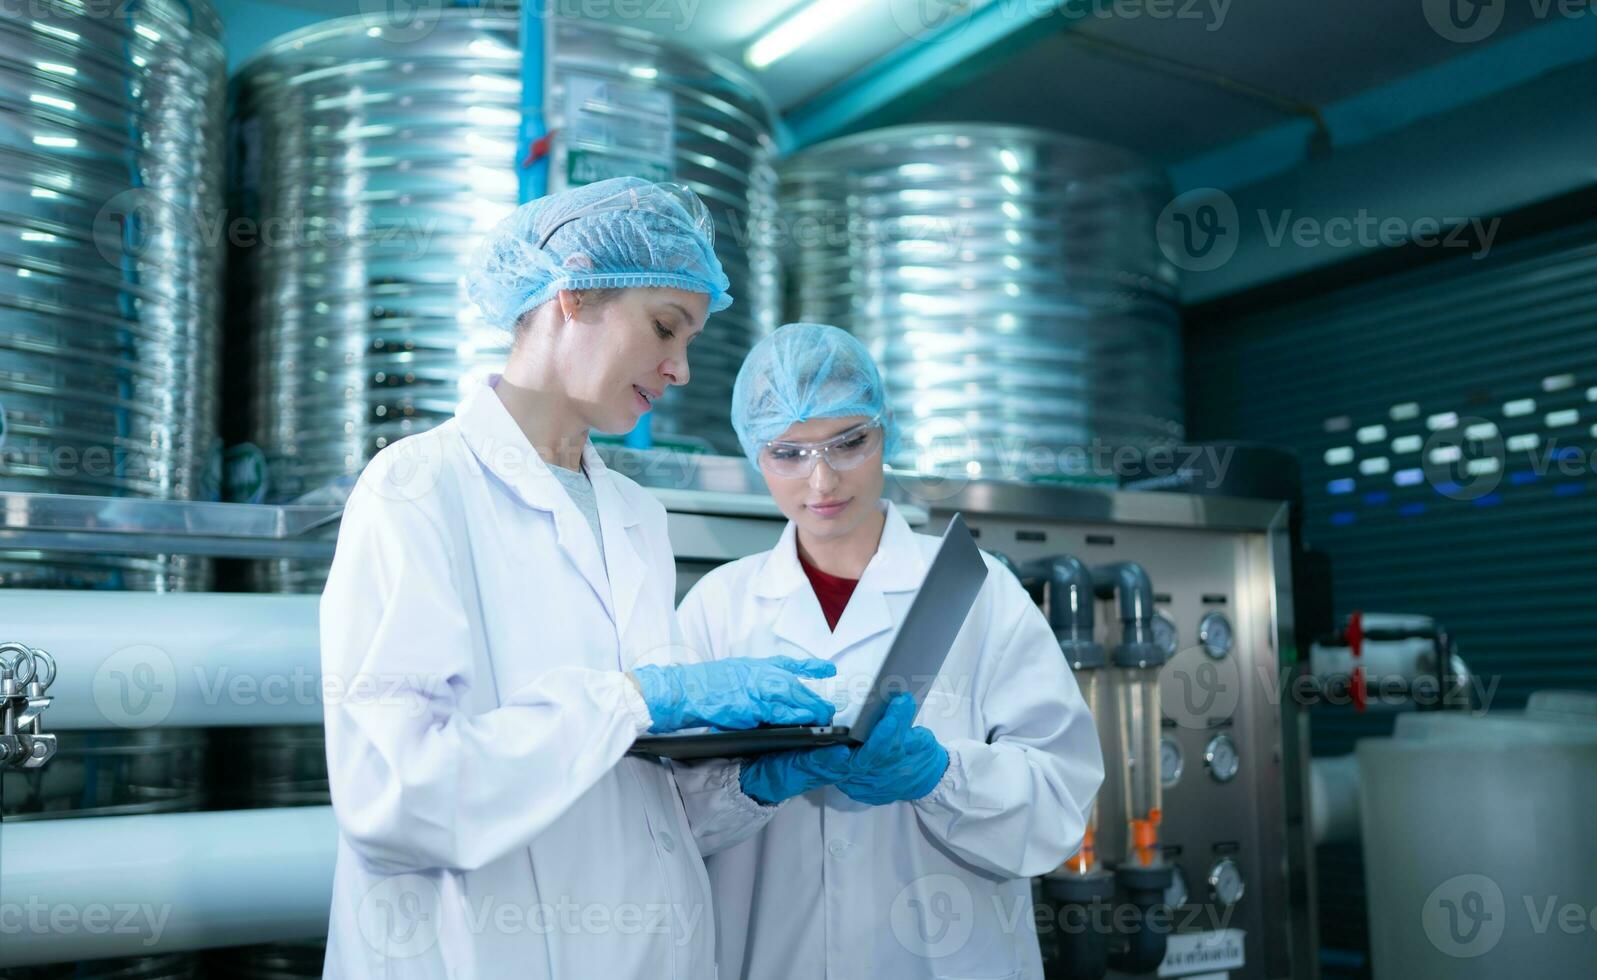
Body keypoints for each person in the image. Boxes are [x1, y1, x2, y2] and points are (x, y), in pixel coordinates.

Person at [318, 179, 840, 979]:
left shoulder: (636, 515)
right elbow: (396, 797)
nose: (681, 368)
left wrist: (753, 783)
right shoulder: (417, 488)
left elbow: (631, 798)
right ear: (574, 293)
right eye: (666, 327)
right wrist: (634, 698)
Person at [673, 322, 1105, 980]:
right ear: (753, 455)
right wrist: (746, 790)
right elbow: (662, 824)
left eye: (848, 442)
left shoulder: (979, 590)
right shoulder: (716, 606)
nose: (821, 480)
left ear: (885, 431)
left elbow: (1060, 808)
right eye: (787, 452)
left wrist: (940, 777)